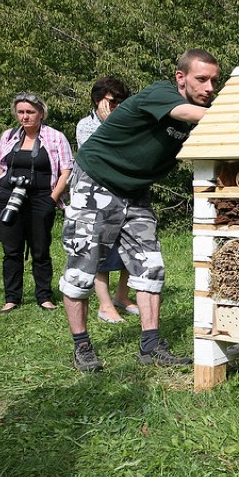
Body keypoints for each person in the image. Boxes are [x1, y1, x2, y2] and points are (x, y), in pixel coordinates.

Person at [60, 49, 220, 373]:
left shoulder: (206, 111)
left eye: (214, 81)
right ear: (181, 78)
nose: (209, 87)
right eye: (201, 79)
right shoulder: (161, 93)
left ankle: (150, 346)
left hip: (135, 191)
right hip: (96, 180)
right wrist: (234, 113)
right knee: (82, 267)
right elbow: (187, 114)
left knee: (151, 267)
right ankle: (82, 347)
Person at [0, 93, 74, 314]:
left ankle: (44, 296)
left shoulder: (55, 137)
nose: (25, 117)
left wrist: (52, 199)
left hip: (40, 198)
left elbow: (66, 171)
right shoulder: (9, 136)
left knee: (40, 249)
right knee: (11, 250)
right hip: (8, 196)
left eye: (30, 112)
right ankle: (12, 298)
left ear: (41, 113)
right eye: (21, 112)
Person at [76, 76, 138, 324]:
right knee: (101, 250)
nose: (117, 106)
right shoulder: (85, 125)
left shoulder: (128, 122)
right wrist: (110, 123)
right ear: (98, 101)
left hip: (126, 191)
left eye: (121, 101)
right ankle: (104, 305)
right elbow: (99, 155)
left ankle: (122, 296)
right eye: (112, 101)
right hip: (97, 196)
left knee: (128, 248)